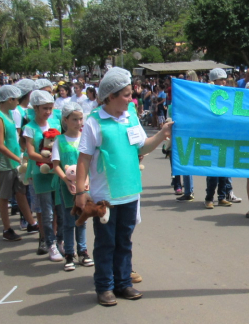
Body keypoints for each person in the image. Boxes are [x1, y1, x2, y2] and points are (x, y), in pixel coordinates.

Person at [76, 68, 173, 307]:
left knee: (124, 241)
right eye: (127, 95)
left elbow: (141, 148)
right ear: (110, 96)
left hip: (130, 192)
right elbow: (84, 159)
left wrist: (162, 134)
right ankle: (104, 286)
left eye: (131, 94)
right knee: (106, 243)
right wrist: (81, 191)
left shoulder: (130, 116)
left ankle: (122, 282)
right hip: (105, 197)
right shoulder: (94, 122)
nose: (131, 99)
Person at [0, 84, 38, 241]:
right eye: (15, 99)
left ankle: (32, 223)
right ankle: (6, 229)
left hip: (14, 160)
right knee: (4, 196)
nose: (17, 102)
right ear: (8, 99)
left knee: (20, 192)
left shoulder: (9, 114)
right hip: (5, 162)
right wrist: (17, 158)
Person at [22, 89, 64, 261]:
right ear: (36, 108)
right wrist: (48, 161)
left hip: (57, 173)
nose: (48, 112)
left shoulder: (55, 122)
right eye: (44, 108)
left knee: (61, 210)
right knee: (46, 212)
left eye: (50, 108)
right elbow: (30, 152)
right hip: (40, 173)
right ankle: (50, 243)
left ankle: (61, 240)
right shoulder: (29, 128)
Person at [51, 101, 93, 271]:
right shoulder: (59, 140)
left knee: (82, 220)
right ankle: (69, 253)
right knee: (69, 221)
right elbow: (56, 165)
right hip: (67, 188)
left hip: (84, 187)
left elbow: (90, 162)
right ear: (65, 120)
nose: (79, 123)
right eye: (74, 119)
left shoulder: (85, 138)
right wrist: (67, 180)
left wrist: (87, 180)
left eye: (81, 119)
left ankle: (82, 251)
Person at [203, 68, 235, 209]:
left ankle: (222, 196)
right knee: (213, 171)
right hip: (212, 137)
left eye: (224, 79)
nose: (223, 82)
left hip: (226, 136)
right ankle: (209, 198)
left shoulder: (228, 95)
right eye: (221, 79)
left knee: (224, 169)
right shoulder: (207, 94)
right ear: (214, 80)